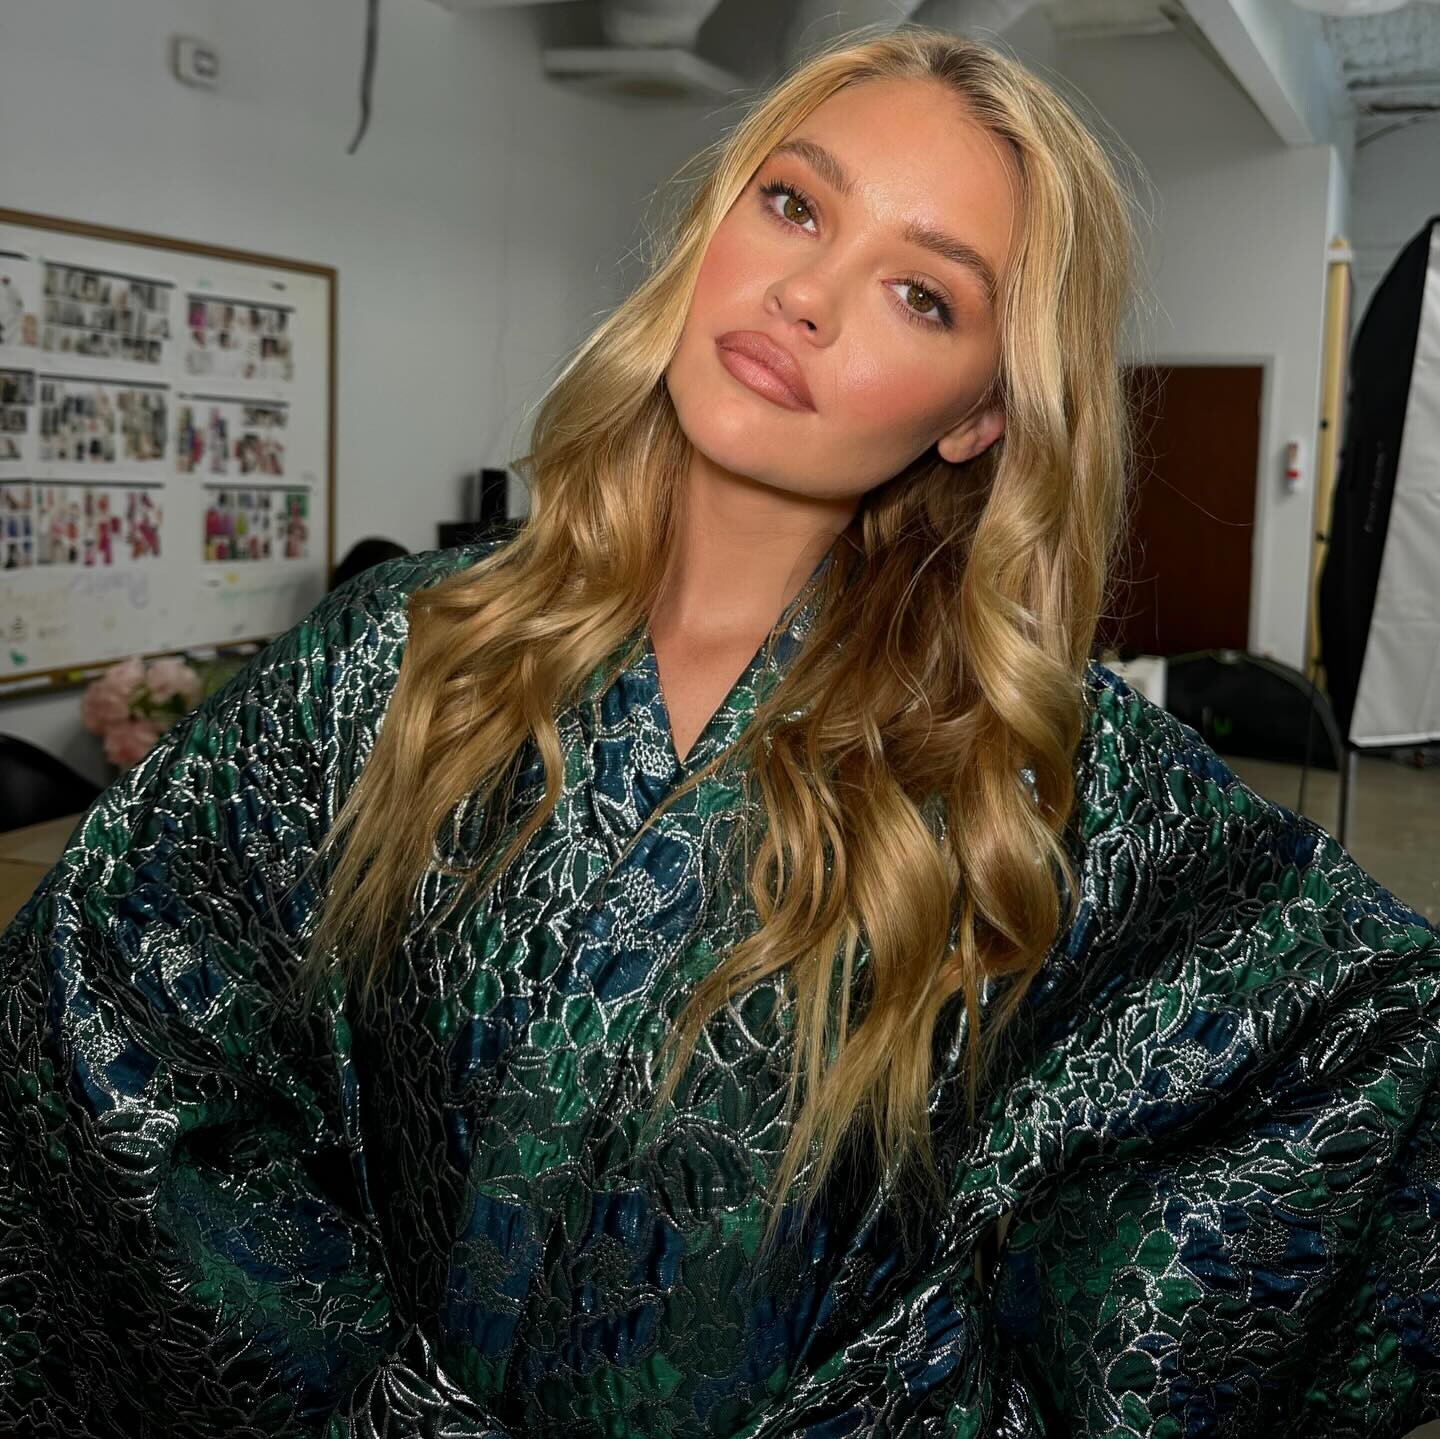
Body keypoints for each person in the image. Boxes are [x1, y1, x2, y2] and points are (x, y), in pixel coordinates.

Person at [2, 24, 1437, 1439]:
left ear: (979, 417)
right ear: (713, 226)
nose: (807, 295)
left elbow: (1372, 1071)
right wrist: (343, 1389)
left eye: (921, 294)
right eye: (795, 205)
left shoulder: (1042, 783)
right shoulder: (399, 656)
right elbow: (107, 1016)